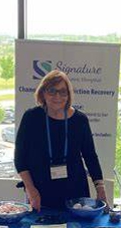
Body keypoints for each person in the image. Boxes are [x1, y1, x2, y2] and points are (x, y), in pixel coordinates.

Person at [14, 70, 107, 211]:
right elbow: (20, 158)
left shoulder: (80, 120)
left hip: (75, 192)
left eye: (63, 92)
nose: (57, 96)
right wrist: (30, 189)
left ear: (68, 95)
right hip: (40, 191)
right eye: (52, 91)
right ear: (43, 93)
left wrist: (100, 189)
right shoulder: (31, 117)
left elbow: (90, 156)